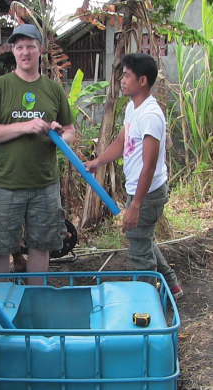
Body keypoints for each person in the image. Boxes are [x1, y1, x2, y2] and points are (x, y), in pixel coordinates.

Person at [0, 24, 75, 284]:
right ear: (13, 51)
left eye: (30, 46)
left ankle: (37, 303)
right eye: (19, 47)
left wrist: (57, 132)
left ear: (40, 49)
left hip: (45, 184)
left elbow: (70, 132)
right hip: (7, 183)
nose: (25, 52)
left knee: (41, 247)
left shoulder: (53, 89)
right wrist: (26, 126)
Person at [84, 53, 183, 298]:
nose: (122, 81)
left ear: (142, 81)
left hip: (147, 193)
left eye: (127, 76)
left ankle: (148, 307)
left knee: (139, 252)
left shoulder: (150, 115)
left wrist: (136, 205)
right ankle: (172, 285)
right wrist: (99, 161)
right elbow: (123, 140)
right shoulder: (132, 108)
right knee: (142, 239)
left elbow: (149, 165)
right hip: (138, 190)